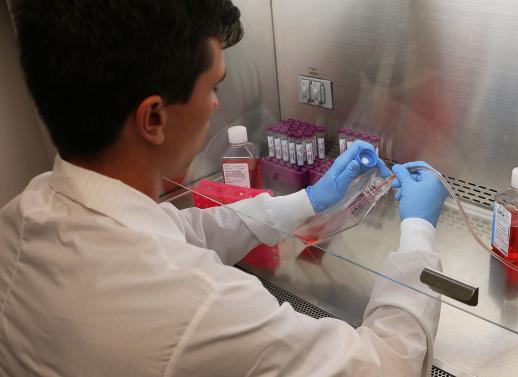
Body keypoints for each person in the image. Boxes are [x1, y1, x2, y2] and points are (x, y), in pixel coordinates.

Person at [0, 1, 449, 376]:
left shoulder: (24, 215)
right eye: (213, 87)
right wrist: (416, 239)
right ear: (153, 118)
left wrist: (308, 201)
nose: (217, 104)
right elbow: (386, 364)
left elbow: (181, 232)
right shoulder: (201, 308)